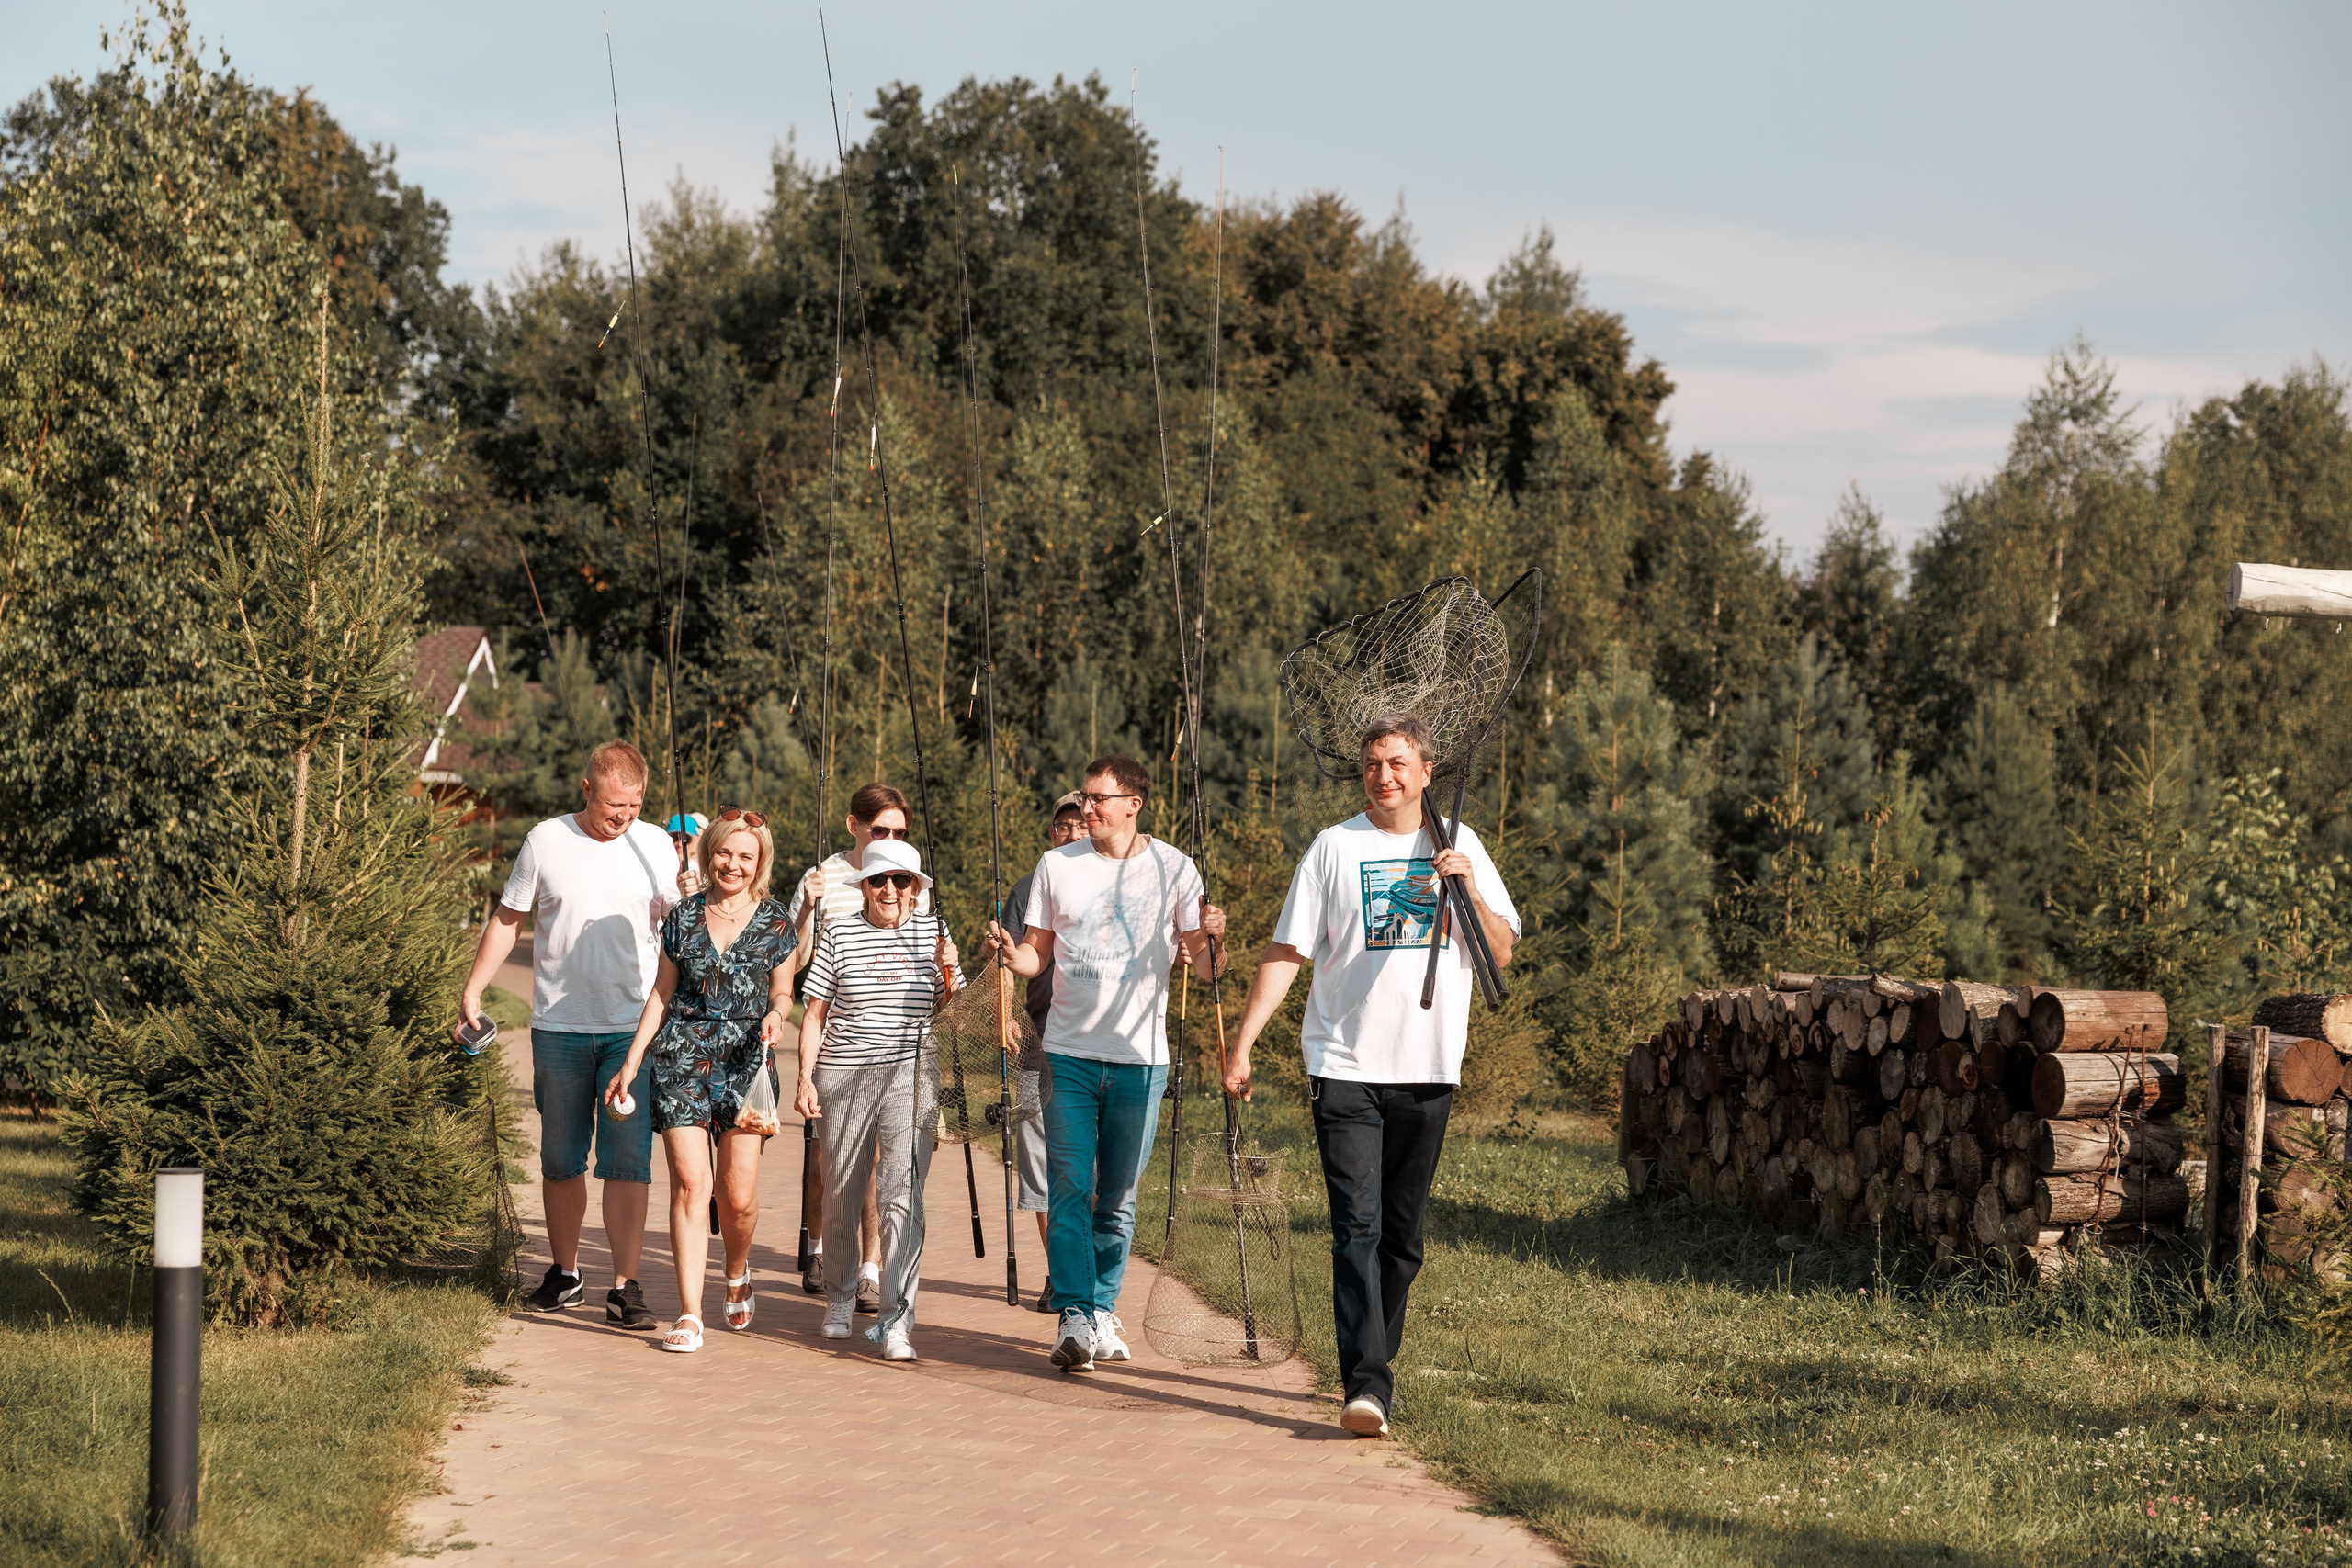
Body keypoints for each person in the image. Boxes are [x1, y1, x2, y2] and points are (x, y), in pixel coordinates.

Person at [1224, 715, 1519, 1438]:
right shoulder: (1334, 847)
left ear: (1425, 770)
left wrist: (1468, 889)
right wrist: (1243, 1043)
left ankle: (1374, 1360)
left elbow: (1502, 951)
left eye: (1395, 763)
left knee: (1402, 1237)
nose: (1381, 775)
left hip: (1428, 1068)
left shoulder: (1460, 843)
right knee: (1355, 1224)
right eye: (1371, 765)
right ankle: (1368, 1382)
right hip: (1345, 1063)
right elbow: (1288, 950)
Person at [987, 756, 1225, 1374]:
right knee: (1069, 1185)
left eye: (1098, 798)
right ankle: (1074, 1313)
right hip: (1065, 1052)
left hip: (1139, 1058)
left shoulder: (1174, 867)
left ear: (1133, 803)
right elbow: (1037, 955)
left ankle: (1101, 1305)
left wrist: (1210, 937)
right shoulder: (1056, 865)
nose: (1087, 809)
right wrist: (1015, 960)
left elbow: (1204, 967)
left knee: (1116, 1194)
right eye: (1085, 798)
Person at [454, 739, 677, 1330]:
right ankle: (565, 1272)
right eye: (612, 807)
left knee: (628, 1161)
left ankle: (625, 1287)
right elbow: (509, 918)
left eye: (633, 806)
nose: (622, 818)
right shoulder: (546, 841)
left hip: (632, 1032)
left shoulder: (656, 845)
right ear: (587, 790)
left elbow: (682, 932)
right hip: (559, 1027)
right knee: (560, 1158)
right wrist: (474, 990)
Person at [601, 808, 794, 1352]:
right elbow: (662, 993)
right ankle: (690, 1313)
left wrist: (778, 1016)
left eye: (745, 857)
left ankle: (736, 1269)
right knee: (691, 1182)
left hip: (747, 1059)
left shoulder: (777, 920)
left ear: (759, 864)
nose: (732, 864)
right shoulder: (683, 917)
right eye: (724, 852)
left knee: (737, 1194)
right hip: (682, 1054)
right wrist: (634, 1059)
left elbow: (784, 990)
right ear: (709, 853)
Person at [792, 840, 959, 1361]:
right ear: (863, 885)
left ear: (916, 888)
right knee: (842, 1189)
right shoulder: (838, 933)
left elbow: (949, 1007)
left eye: (901, 880)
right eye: (878, 880)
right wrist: (804, 1078)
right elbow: (815, 1014)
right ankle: (840, 1298)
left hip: (912, 1073)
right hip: (843, 1072)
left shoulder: (934, 931)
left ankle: (896, 1321)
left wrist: (951, 970)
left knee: (902, 1195)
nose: (890, 889)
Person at [783, 784, 926, 1312]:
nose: (888, 840)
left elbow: (917, 953)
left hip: (893, 1046)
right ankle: (818, 1247)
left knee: (883, 1160)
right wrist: (805, 910)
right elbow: (795, 965)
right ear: (853, 826)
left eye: (898, 833)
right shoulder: (821, 878)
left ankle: (870, 1269)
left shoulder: (908, 878)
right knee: (830, 1161)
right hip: (837, 1043)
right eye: (879, 830)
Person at [1000, 791, 1085, 1311]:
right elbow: (1008, 959)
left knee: (1091, 1173)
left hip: (1101, 1049)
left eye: (1080, 824)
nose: (1071, 833)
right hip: (1039, 1041)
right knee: (1041, 1168)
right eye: (1061, 827)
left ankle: (1084, 1270)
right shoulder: (1028, 889)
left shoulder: (1122, 883)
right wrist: (1004, 1015)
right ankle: (1060, 1270)